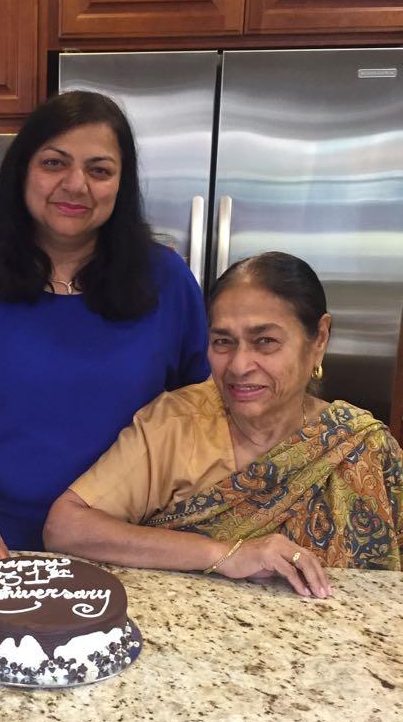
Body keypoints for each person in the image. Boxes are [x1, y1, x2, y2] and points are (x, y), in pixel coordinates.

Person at [0, 90, 209, 570]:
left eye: (99, 170)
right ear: (23, 170)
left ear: (121, 185)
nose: (76, 184)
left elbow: (203, 422)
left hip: (134, 551)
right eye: (54, 163)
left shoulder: (167, 280)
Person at [45, 252, 403, 597]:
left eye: (265, 341)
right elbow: (65, 527)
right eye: (223, 342)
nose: (238, 365)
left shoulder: (360, 446)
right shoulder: (176, 423)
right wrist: (225, 554)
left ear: (319, 339)